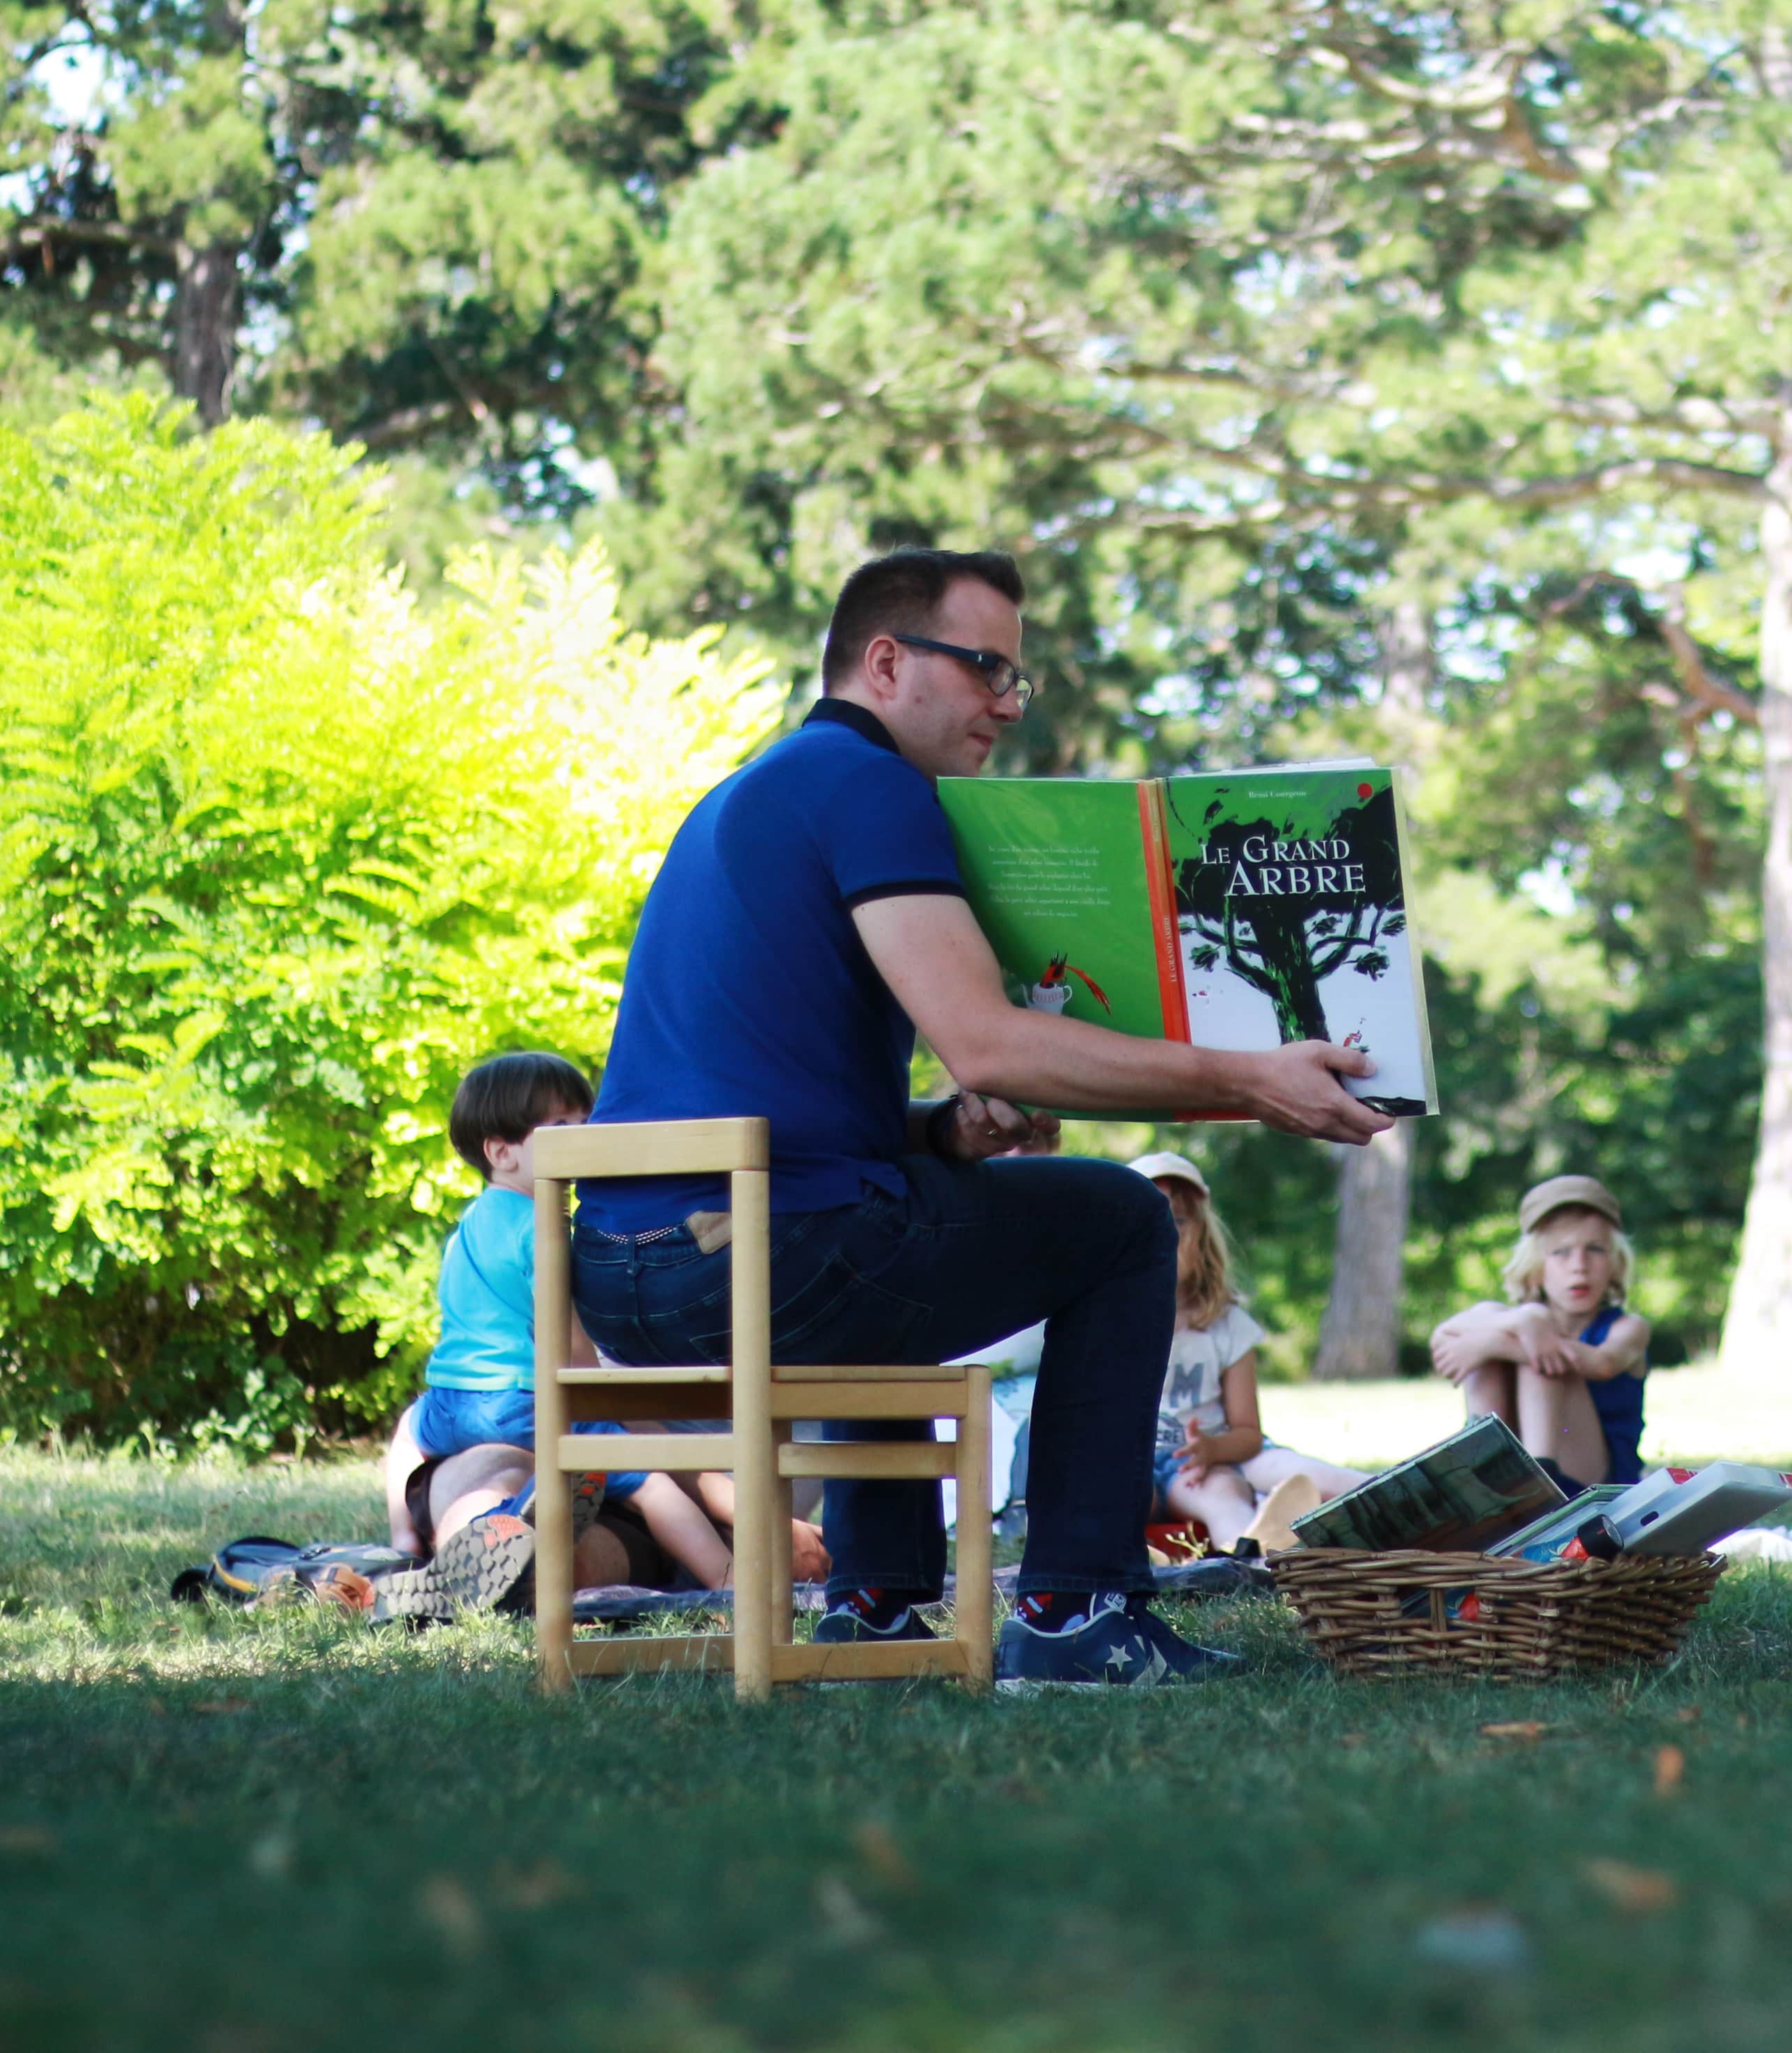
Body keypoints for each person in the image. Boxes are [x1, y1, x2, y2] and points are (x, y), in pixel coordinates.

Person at [568, 548, 1392, 1688]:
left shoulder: (747, 794)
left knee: (911, 1202)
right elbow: (992, 1041)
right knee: (1115, 1219)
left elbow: (761, 1105)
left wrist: (941, 1132)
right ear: (889, 661)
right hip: (756, 1253)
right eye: (985, 668)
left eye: (1018, 676)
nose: (1007, 701)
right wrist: (1251, 1074)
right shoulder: (874, 789)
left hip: (621, 1272)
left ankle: (880, 1605)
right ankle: (1073, 1617)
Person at [378, 1053, 752, 1598]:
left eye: (585, 1123)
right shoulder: (543, 1228)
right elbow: (570, 1350)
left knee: (408, 1429)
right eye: (559, 1128)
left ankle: (406, 1540)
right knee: (649, 1480)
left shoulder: (468, 1225)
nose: (581, 1138)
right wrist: (604, 1403)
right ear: (500, 1151)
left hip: (453, 1402)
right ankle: (730, 1579)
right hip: (526, 1402)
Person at [1133, 1152, 1366, 1549]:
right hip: (1146, 1469)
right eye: (1149, 1223)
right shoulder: (1104, 1322)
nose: (1166, 1235)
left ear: (1202, 1237)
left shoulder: (1227, 1324)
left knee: (1292, 1476)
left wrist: (1212, 1449)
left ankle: (1405, 1498)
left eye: (1180, 1221)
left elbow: (1248, 1435)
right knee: (1198, 1498)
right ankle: (1261, 1544)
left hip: (1217, 1456)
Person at [1427, 1175, 1650, 1485]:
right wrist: (1524, 1321)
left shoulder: (1629, 1328)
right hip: (1513, 1461)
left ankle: (1539, 1484)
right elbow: (1443, 1337)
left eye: (1596, 1249)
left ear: (1616, 1261)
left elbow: (1603, 1363)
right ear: (1534, 1266)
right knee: (1493, 1314)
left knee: (1541, 1356)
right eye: (1561, 1252)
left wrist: (1493, 1342)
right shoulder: (1518, 1323)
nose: (1579, 1265)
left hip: (1596, 1478)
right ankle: (1483, 1470)